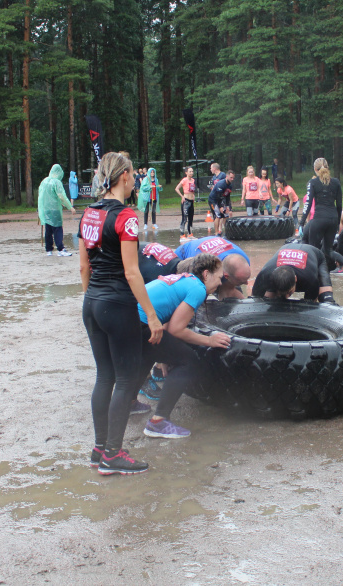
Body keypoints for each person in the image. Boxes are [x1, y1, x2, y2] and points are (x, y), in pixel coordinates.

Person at [78, 152, 163, 476]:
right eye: (132, 176)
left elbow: (84, 265)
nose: (134, 181)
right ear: (125, 175)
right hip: (116, 303)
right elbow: (132, 272)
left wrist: (94, 298)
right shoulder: (126, 216)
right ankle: (113, 454)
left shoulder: (90, 212)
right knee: (127, 379)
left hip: (92, 303)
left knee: (105, 376)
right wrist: (152, 316)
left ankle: (100, 448)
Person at [136, 253, 231, 439]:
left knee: (151, 351)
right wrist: (210, 341)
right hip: (139, 323)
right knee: (188, 361)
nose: (220, 283)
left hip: (127, 318)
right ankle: (158, 421)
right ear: (206, 274)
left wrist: (163, 356)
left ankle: (131, 403)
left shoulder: (184, 279)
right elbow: (176, 330)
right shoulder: (197, 288)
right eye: (219, 277)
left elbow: (165, 322)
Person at [299, 158, 343, 275]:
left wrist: (301, 223)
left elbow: (308, 204)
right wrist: (338, 221)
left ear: (315, 169)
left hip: (319, 219)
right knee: (328, 250)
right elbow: (339, 205)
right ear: (327, 167)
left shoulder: (312, 183)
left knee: (312, 249)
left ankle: (314, 275)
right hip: (333, 219)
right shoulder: (336, 182)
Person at [251, 243, 343, 302]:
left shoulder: (310, 278)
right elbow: (255, 300)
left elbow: (311, 306)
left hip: (315, 255)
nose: (288, 296)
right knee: (268, 300)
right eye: (283, 293)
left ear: (296, 279)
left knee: (326, 299)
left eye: (289, 292)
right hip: (286, 249)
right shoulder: (265, 275)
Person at [175, 236, 252, 299]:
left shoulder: (244, 259)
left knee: (228, 290)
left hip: (211, 244)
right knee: (199, 293)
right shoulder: (205, 268)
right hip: (183, 254)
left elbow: (229, 290)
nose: (246, 283)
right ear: (226, 276)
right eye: (241, 282)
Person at [37, 163, 76, 256]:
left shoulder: (44, 181)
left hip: (45, 209)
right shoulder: (56, 182)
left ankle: (49, 250)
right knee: (57, 229)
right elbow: (61, 196)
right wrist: (70, 206)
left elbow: (40, 196)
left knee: (48, 230)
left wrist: (40, 209)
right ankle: (60, 249)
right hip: (54, 210)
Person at [207, 169, 234, 236]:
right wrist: (221, 207)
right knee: (218, 215)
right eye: (231, 177)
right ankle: (217, 233)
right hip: (213, 200)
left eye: (233, 178)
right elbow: (219, 196)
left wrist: (228, 206)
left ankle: (226, 232)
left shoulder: (230, 185)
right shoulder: (221, 184)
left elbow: (227, 196)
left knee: (226, 215)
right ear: (227, 176)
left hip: (221, 200)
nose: (232, 179)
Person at [175, 166, 197, 240]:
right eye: (190, 171)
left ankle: (190, 234)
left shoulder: (193, 180)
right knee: (184, 218)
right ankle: (182, 234)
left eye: (192, 171)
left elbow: (192, 190)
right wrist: (182, 196)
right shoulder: (184, 180)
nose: (191, 173)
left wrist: (193, 195)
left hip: (191, 201)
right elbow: (177, 188)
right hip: (186, 201)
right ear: (186, 173)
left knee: (191, 218)